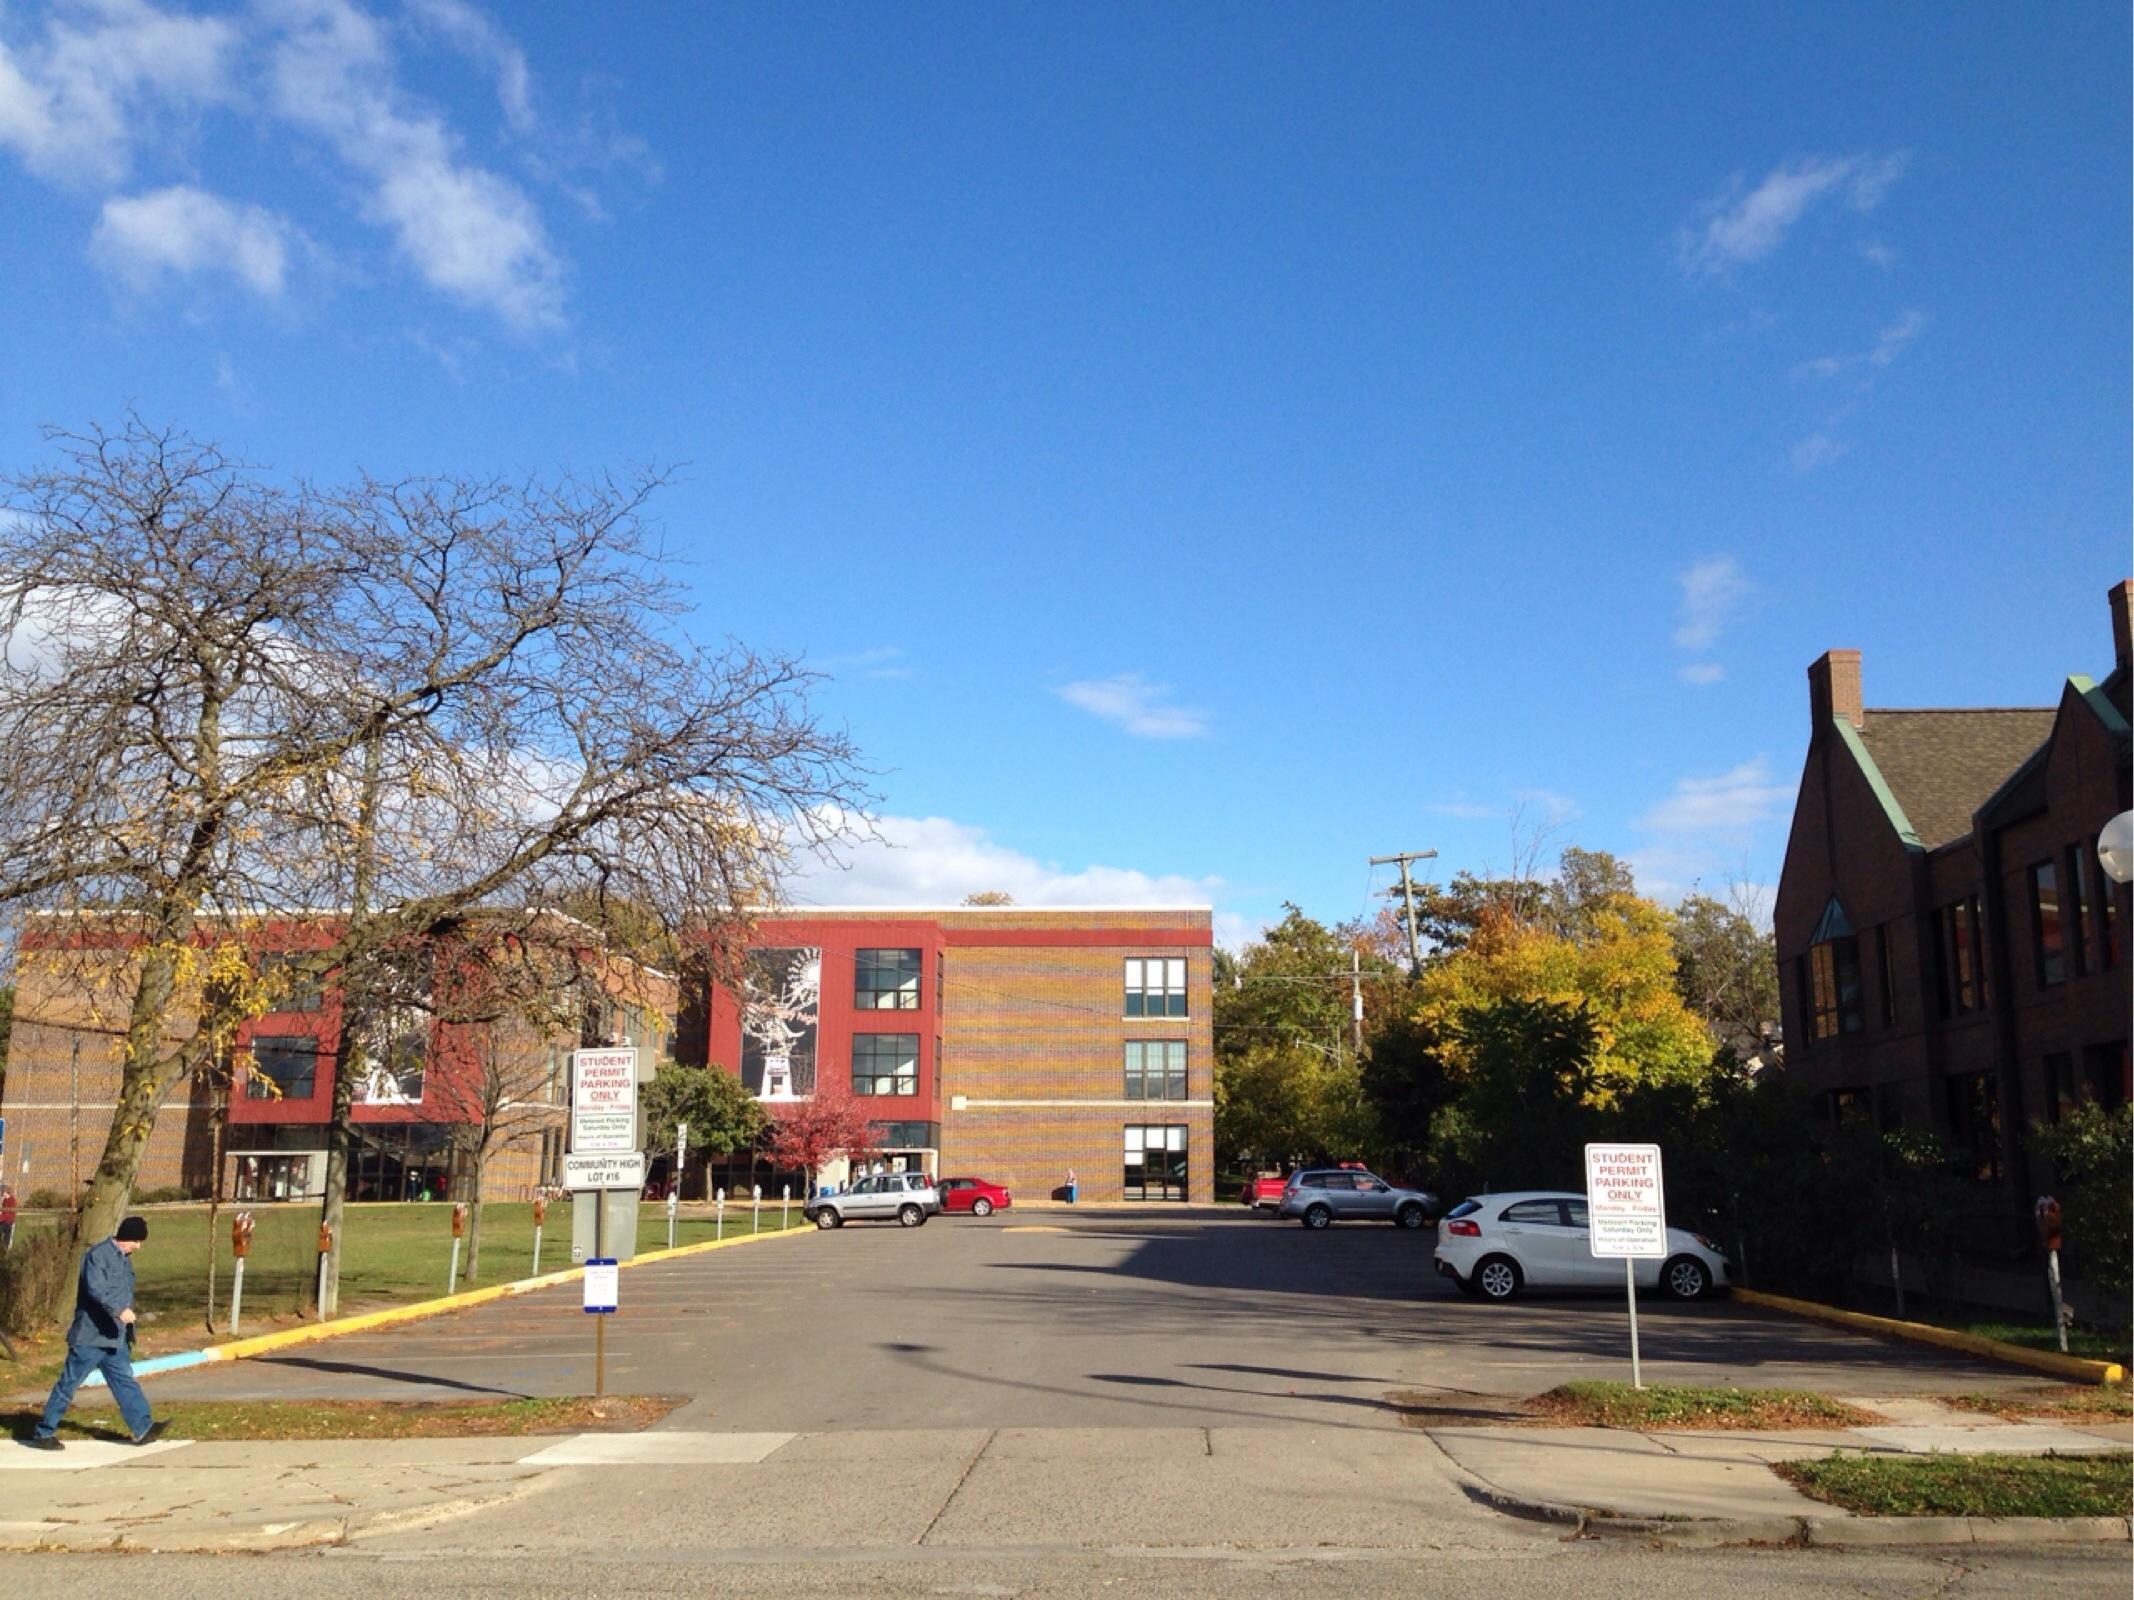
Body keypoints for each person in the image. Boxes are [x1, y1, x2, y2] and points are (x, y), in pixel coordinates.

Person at [24, 1215, 167, 1451]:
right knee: (68, 1384)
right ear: (125, 1236)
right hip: (90, 1337)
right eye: (136, 1241)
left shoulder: (124, 1259)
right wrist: (119, 1311)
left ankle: (143, 1427)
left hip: (114, 1337)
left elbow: (123, 1292)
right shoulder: (97, 1255)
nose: (138, 1246)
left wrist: (128, 1328)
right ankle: (43, 1432)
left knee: (124, 1381)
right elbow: (96, 1289)